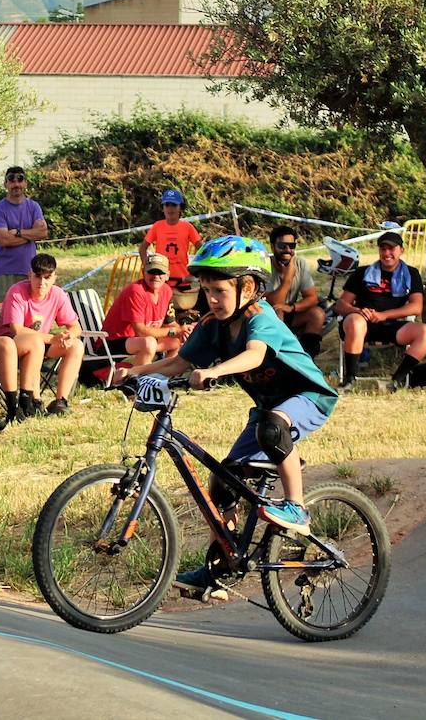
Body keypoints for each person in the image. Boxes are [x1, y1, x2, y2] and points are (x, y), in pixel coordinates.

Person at [131, 235, 338, 596]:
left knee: (274, 428)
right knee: (222, 483)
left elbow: (256, 355)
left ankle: (297, 508)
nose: (211, 299)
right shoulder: (215, 324)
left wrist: (215, 371)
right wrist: (133, 373)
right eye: (207, 290)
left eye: (220, 291)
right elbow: (180, 361)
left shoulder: (262, 317)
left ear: (248, 287)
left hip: (307, 398)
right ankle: (221, 567)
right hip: (267, 408)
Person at [0, 253, 84, 426]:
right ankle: (30, 400)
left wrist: (68, 336)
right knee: (35, 342)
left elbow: (76, 327)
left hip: (41, 346)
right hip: (10, 344)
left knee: (76, 346)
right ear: (30, 275)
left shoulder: (58, 294)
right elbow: (17, 329)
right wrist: (52, 338)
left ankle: (61, 401)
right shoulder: (17, 291)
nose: (42, 282)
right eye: (37, 276)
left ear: (54, 278)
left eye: (47, 277)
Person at [334, 231, 426, 388]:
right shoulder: (362, 273)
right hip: (361, 325)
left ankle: (396, 381)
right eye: (383, 249)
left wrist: (384, 315)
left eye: (391, 249)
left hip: (390, 325)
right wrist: (357, 311)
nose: (387, 253)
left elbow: (416, 307)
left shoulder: (411, 274)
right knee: (355, 321)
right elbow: (340, 305)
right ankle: (349, 379)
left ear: (401, 250)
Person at [99, 253, 190, 382]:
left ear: (167, 275)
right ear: (143, 272)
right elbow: (140, 331)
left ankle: (161, 379)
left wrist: (184, 330)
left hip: (140, 341)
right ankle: (135, 384)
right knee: (148, 343)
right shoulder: (135, 291)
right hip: (112, 343)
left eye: (160, 273)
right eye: (152, 272)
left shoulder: (167, 291)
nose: (156, 276)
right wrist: (174, 331)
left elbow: (171, 324)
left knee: (176, 341)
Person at [265, 225, 326, 357]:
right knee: (278, 311)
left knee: (318, 313)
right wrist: (288, 279)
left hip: (288, 312)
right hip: (267, 316)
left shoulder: (300, 264)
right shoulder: (265, 266)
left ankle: (307, 357)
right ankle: (280, 358)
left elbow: (312, 298)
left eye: (291, 246)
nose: (288, 250)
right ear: (272, 246)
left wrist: (291, 307)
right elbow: (273, 302)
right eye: (282, 246)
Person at [0, 166, 48, 304]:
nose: (16, 184)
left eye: (20, 179)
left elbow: (43, 232)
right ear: (5, 184)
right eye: (11, 180)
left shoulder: (34, 207)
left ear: (25, 183)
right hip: (3, 271)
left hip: (29, 270)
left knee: (27, 314)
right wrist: (31, 235)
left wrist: (18, 232)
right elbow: (3, 240)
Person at [139, 189, 202, 286]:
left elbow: (202, 249)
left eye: (174, 205)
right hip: (161, 281)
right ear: (162, 208)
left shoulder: (188, 227)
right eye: (167, 205)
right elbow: (143, 248)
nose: (170, 208)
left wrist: (196, 272)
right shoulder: (157, 226)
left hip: (183, 281)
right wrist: (149, 267)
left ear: (180, 208)